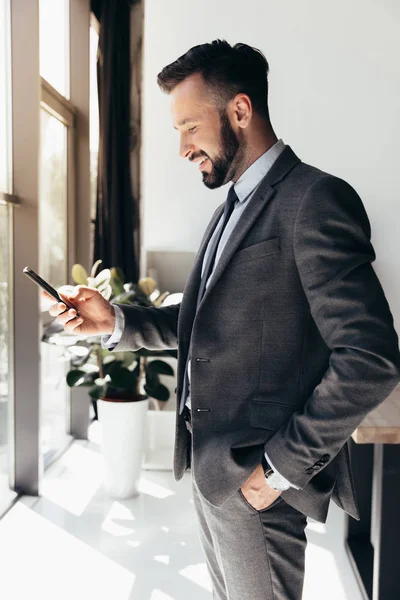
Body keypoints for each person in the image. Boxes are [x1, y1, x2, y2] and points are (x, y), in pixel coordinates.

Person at [44, 40, 400, 600]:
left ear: (239, 110)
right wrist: (113, 319)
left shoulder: (315, 200)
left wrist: (278, 470)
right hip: (215, 472)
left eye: (190, 127)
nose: (183, 148)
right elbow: (204, 317)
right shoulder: (231, 206)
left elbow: (370, 358)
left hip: (259, 479)